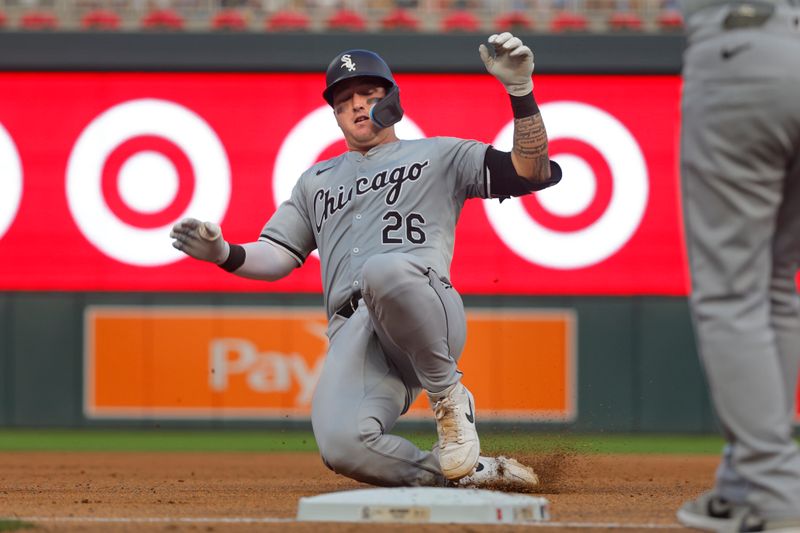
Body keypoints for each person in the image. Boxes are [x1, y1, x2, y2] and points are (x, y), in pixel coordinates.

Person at [171, 32, 561, 489]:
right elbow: (277, 256)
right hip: (355, 335)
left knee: (383, 268)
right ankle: (465, 473)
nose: (357, 105)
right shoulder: (315, 181)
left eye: (369, 94)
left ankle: (449, 398)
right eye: (345, 100)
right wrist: (222, 253)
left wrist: (521, 93)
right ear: (334, 115)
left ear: (392, 100)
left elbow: (530, 172)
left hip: (426, 311)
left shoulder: (439, 154)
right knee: (341, 446)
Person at [677, 0, 800, 530]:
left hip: (743, 53)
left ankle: (774, 492)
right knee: (777, 285)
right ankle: (743, 484)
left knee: (734, 294)